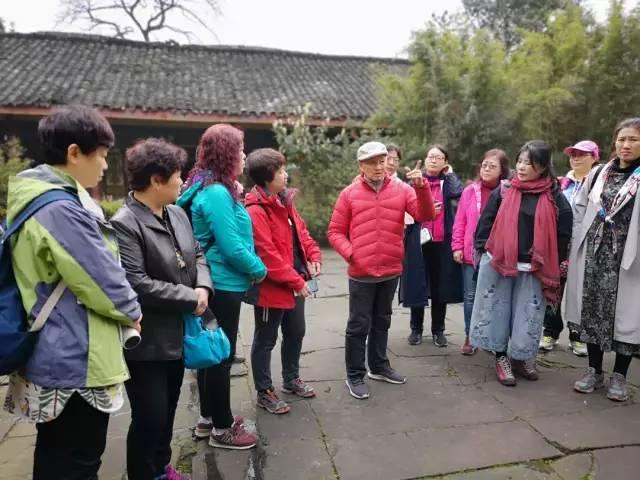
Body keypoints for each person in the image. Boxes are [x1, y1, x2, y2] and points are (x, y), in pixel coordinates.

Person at [3, 105, 142, 479]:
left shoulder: (35, 197)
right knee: (78, 459)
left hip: (52, 347)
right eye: (99, 154)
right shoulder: (62, 209)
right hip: (75, 356)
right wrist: (133, 311)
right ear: (74, 153)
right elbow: (100, 280)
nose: (103, 165)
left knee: (56, 454)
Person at [110, 138, 213, 479]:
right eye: (177, 175)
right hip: (148, 341)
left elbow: (197, 253)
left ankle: (161, 467)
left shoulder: (178, 213)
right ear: (155, 179)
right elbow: (135, 281)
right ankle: (144, 472)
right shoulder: (125, 222)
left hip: (179, 333)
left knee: (168, 410)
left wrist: (203, 286)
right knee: (149, 416)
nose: (182, 181)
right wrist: (191, 297)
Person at [177, 124, 266, 449]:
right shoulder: (215, 193)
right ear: (228, 154)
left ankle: (207, 418)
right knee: (220, 356)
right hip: (222, 282)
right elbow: (232, 246)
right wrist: (259, 270)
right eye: (240, 150)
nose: (244, 155)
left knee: (211, 351)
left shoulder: (209, 186)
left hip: (214, 281)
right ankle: (223, 429)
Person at [328, 141, 435, 400]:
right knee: (358, 324)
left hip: (390, 268)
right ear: (360, 165)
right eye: (372, 162)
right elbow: (334, 232)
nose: (379, 167)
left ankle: (378, 366)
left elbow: (426, 213)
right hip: (361, 272)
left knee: (382, 319)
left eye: (381, 161)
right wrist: (353, 254)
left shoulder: (403, 189)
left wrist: (422, 187)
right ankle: (355, 374)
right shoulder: (349, 194)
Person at [471, 140, 572, 387]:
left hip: (534, 267)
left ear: (543, 166)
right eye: (520, 161)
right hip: (501, 264)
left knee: (527, 313)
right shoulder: (506, 190)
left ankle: (523, 357)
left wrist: (556, 262)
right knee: (500, 311)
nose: (523, 167)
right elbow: (486, 222)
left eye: (530, 162)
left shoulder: (553, 194)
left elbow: (564, 229)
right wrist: (485, 249)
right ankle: (501, 357)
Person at [566, 118, 640, 402]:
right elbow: (581, 207)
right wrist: (575, 244)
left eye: (633, 139)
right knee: (591, 311)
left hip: (627, 258)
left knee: (626, 315)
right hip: (594, 255)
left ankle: (620, 375)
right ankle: (594, 370)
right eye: (622, 139)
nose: (626, 145)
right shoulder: (599, 173)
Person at [244, 148, 322, 414]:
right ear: (266, 178)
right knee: (265, 339)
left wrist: (314, 255)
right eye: (280, 171)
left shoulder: (284, 202)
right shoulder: (256, 210)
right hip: (271, 288)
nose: (285, 175)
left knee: (295, 332)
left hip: (295, 282)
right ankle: (264, 391)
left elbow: (302, 234)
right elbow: (267, 254)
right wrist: (295, 281)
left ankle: (291, 378)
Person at [539, 141, 599, 357]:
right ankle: (551, 331)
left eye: (582, 154)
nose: (576, 158)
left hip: (586, 247)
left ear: (594, 157)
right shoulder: (562, 183)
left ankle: (577, 335)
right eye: (573, 154)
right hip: (559, 245)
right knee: (553, 288)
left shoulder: (599, 184)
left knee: (580, 292)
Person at [400, 145, 464, 347]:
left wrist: (451, 174)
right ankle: (416, 329)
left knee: (440, 287)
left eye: (439, 157)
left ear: (445, 162)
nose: (433, 160)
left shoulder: (447, 183)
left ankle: (438, 330)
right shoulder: (415, 181)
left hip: (442, 242)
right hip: (418, 240)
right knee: (418, 284)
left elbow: (457, 193)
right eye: (430, 156)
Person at [452, 149, 511, 355]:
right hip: (470, 253)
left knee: (494, 297)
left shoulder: (508, 192)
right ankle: (471, 335)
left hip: (497, 254)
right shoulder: (470, 191)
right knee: (470, 297)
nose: (486, 169)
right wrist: (457, 246)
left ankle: (491, 336)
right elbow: (460, 221)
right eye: (484, 165)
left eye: (492, 166)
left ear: (503, 170)